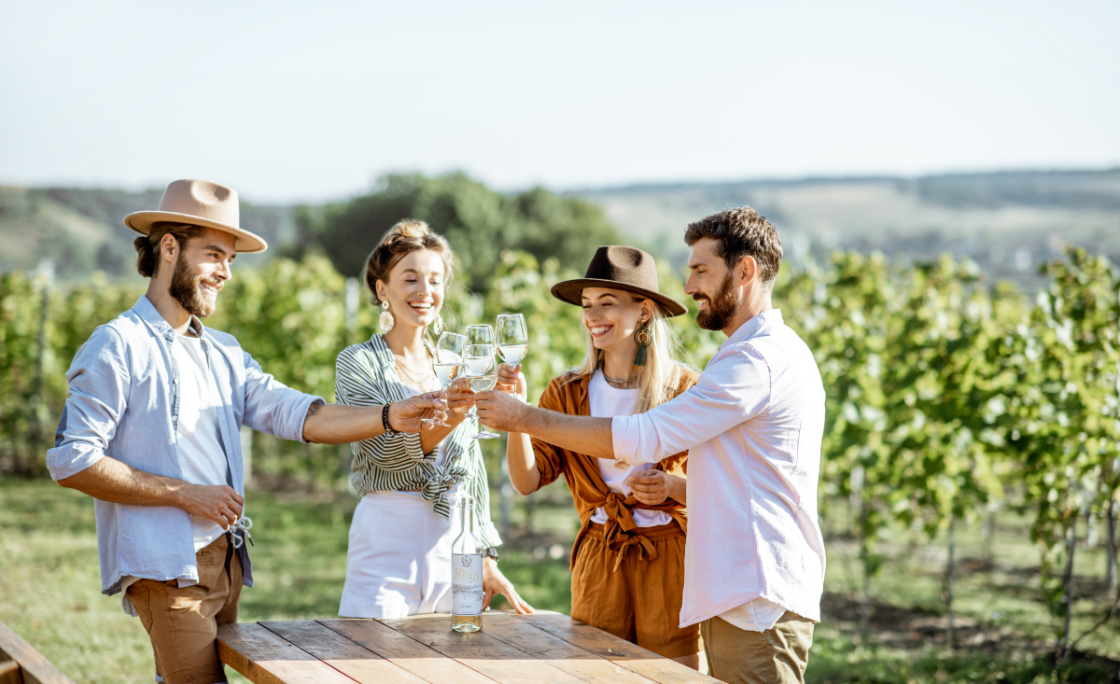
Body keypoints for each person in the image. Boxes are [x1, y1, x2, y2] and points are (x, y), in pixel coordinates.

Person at [46, 179, 447, 684]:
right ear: (168, 247)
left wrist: (391, 415)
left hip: (226, 559)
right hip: (169, 567)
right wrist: (186, 494)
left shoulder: (223, 351)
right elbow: (73, 460)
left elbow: (301, 414)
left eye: (231, 259)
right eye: (214, 255)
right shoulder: (117, 345)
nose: (225, 273)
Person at [474, 207, 826, 684]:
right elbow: (730, 476)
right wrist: (523, 419)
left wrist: (523, 416)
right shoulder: (747, 356)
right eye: (587, 305)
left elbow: (644, 436)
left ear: (745, 271)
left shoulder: (750, 362)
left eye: (701, 269)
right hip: (725, 586)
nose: (689, 285)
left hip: (748, 589)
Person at [493, 246, 701, 667]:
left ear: (644, 311)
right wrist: (517, 415)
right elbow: (526, 482)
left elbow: (721, 487)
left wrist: (672, 487)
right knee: (595, 671)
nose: (592, 316)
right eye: (587, 305)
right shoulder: (567, 393)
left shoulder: (685, 390)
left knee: (672, 674)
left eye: (607, 303)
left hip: (669, 559)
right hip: (600, 557)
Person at [334, 219, 532, 619]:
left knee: (454, 668)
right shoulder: (357, 363)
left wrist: (485, 554)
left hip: (455, 544)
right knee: (370, 665)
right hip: (387, 539)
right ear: (382, 290)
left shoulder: (458, 367)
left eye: (436, 280)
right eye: (410, 279)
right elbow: (385, 452)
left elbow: (471, 470)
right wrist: (455, 414)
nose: (425, 292)